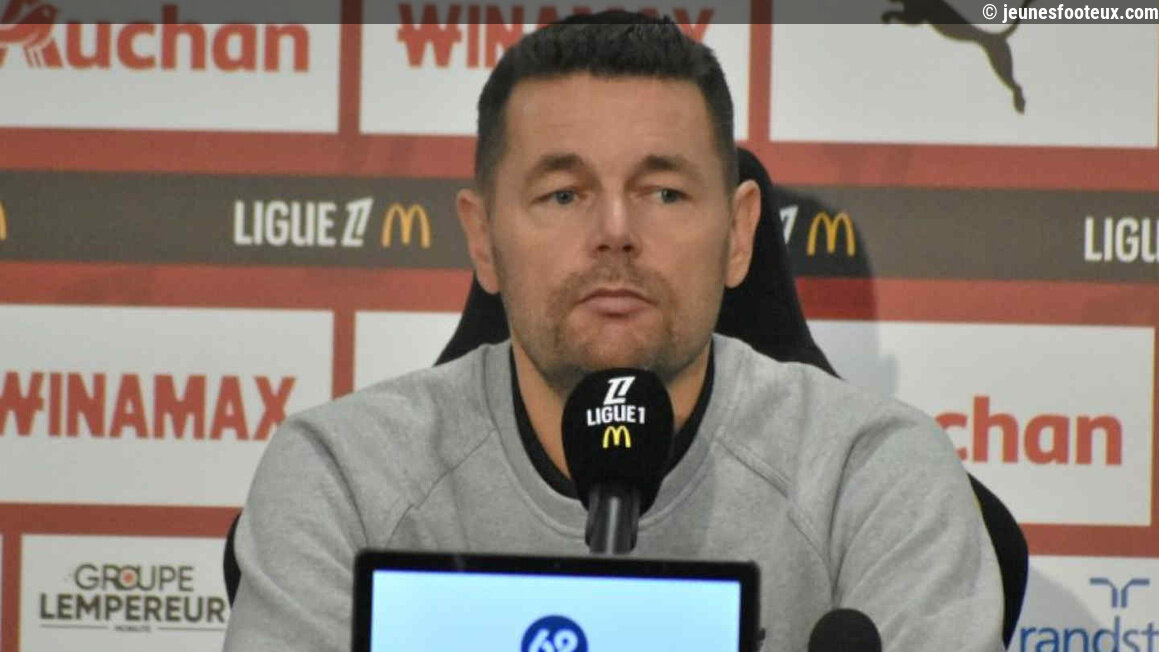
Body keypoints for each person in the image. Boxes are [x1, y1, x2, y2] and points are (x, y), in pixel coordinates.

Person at [223, 13, 1004, 652]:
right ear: (483, 239)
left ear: (738, 234)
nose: (616, 233)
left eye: (663, 192)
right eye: (563, 195)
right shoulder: (343, 476)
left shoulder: (873, 474)